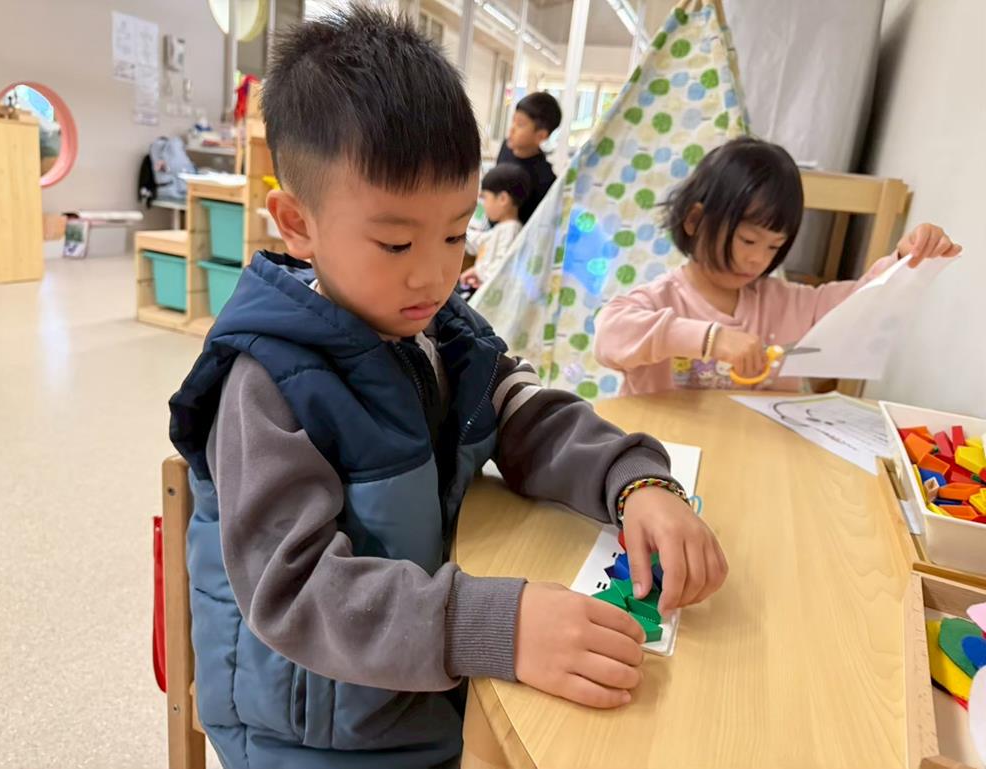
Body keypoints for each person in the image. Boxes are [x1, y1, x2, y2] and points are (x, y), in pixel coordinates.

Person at [168, 8, 727, 768]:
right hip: (311, 734)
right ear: (297, 225)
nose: (433, 275)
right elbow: (296, 592)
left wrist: (636, 481)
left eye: (456, 233)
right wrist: (497, 626)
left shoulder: (440, 331)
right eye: (396, 242)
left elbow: (526, 413)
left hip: (427, 685)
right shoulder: (264, 383)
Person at [594, 137, 962, 395]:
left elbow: (857, 302)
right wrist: (712, 339)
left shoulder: (783, 302)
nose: (758, 259)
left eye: (774, 246)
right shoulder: (660, 299)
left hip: (757, 454)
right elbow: (610, 334)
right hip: (669, 455)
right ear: (694, 221)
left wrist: (903, 261)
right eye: (748, 240)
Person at [459, 163, 530, 294]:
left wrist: (477, 272)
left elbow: (501, 269)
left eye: (485, 198)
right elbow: (479, 241)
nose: (484, 205)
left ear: (503, 199)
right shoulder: (501, 230)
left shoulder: (511, 231)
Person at [497, 91, 562, 223]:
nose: (512, 129)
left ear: (541, 136)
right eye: (513, 121)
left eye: (520, 124)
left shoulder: (544, 178)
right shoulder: (506, 148)